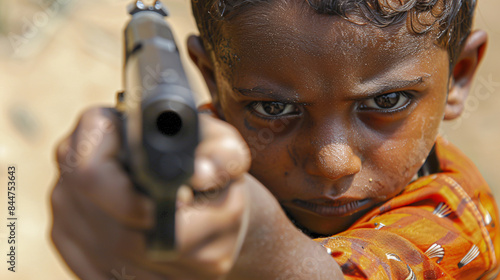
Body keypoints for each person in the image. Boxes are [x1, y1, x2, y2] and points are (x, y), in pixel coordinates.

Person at [50, 0, 500, 279]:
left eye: (388, 100)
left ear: (459, 77)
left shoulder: (453, 219)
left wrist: (255, 245)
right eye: (274, 109)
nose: (332, 161)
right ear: (211, 80)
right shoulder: (204, 145)